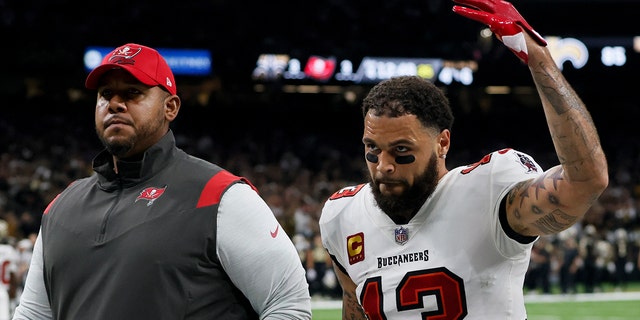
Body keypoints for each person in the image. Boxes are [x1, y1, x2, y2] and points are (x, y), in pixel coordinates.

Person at [318, 0, 609, 319]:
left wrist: (539, 60)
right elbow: (354, 310)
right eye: (372, 149)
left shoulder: (488, 188)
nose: (383, 166)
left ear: (442, 143)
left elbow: (585, 181)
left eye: (402, 150)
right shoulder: (342, 215)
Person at [12, 43, 312, 320]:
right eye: (105, 94)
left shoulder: (219, 195)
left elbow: (288, 305)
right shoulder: (60, 208)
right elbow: (33, 314)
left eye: (132, 93)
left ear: (171, 107)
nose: (114, 103)